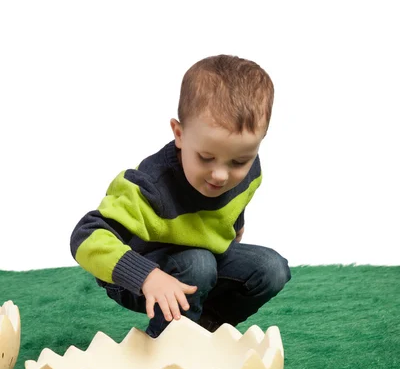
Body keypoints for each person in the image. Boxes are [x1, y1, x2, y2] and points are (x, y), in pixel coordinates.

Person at [70, 54, 291, 338]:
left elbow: (233, 208)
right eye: (206, 157)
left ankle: (206, 329)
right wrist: (146, 276)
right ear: (180, 134)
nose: (221, 176)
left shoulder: (251, 171)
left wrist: (236, 230)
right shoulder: (150, 186)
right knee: (198, 263)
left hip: (200, 265)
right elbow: (85, 235)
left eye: (238, 162)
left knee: (271, 268)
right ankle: (165, 344)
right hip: (136, 276)